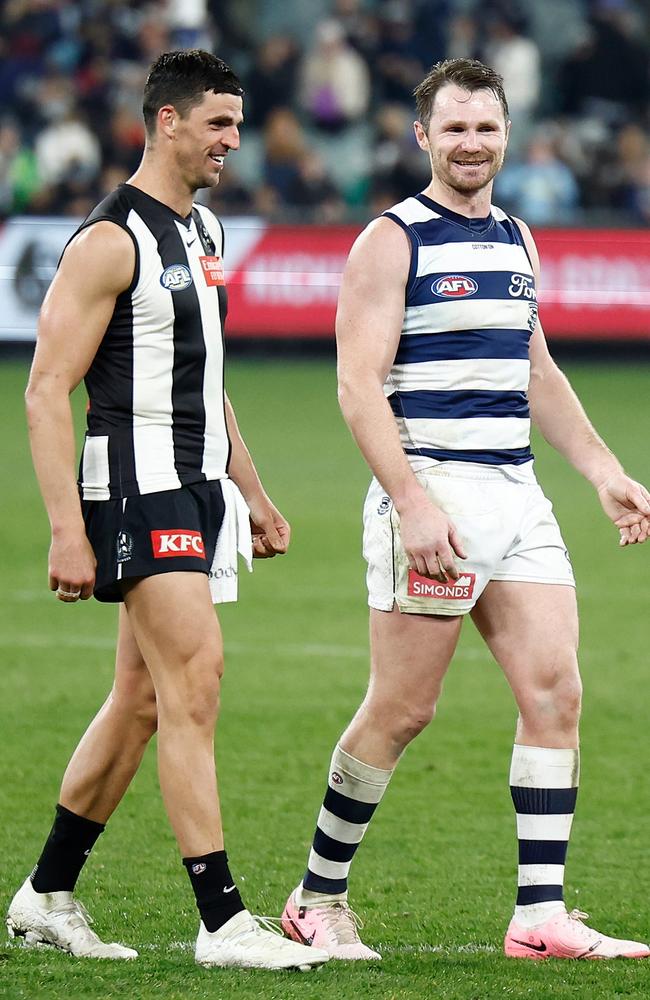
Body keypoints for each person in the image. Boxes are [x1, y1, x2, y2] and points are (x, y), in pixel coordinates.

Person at [281, 57, 650, 962]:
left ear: (507, 133)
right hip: (434, 494)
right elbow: (356, 385)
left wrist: (603, 469)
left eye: (486, 128)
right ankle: (314, 897)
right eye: (454, 129)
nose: (471, 144)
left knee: (556, 691)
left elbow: (536, 370)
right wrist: (412, 501)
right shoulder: (391, 240)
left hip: (518, 497)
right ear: (422, 136)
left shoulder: (519, 240)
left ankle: (539, 915)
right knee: (404, 711)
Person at [7, 49, 329, 973]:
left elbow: (208, 379)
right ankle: (224, 922)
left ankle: (44, 895)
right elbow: (44, 391)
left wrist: (254, 491)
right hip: (135, 485)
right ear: (167, 122)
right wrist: (68, 529)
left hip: (196, 484)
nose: (234, 140)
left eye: (237, 123)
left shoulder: (208, 232)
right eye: (218, 124)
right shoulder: (109, 241)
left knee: (143, 701)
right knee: (197, 681)